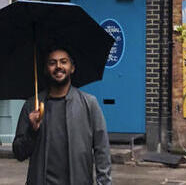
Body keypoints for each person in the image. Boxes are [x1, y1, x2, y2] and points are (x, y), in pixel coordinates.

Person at [12, 47, 112, 185]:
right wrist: (32, 131)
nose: (58, 66)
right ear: (46, 69)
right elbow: (19, 153)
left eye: (63, 62)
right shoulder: (32, 106)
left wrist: (104, 182)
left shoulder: (89, 103)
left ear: (72, 68)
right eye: (52, 63)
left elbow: (102, 149)